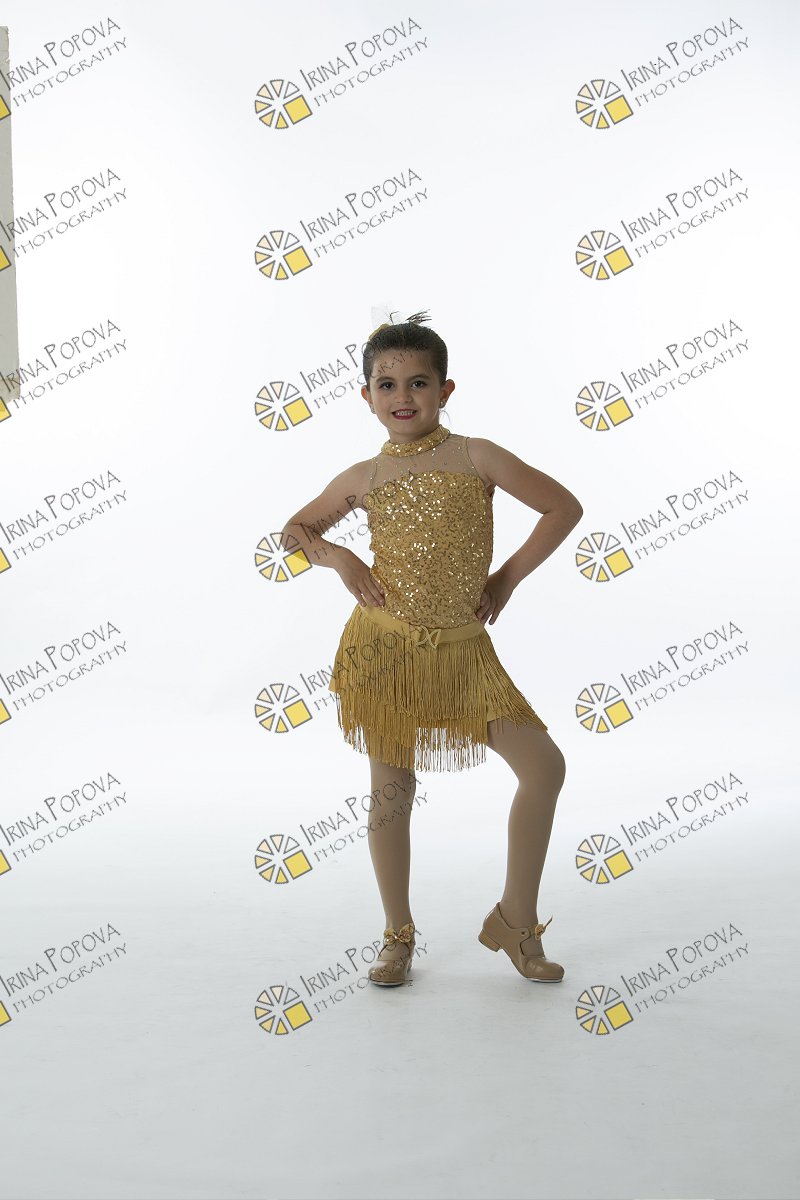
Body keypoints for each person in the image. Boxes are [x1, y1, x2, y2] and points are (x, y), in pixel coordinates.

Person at [279, 310, 583, 989]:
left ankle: (515, 921)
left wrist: (505, 579)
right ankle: (398, 934)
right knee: (392, 792)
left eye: (419, 383)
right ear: (366, 396)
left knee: (544, 768)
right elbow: (293, 532)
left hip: (463, 653)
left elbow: (563, 508)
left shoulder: (478, 456)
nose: (403, 397)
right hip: (384, 653)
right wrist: (340, 557)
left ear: (446, 390)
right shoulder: (364, 475)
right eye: (386, 385)